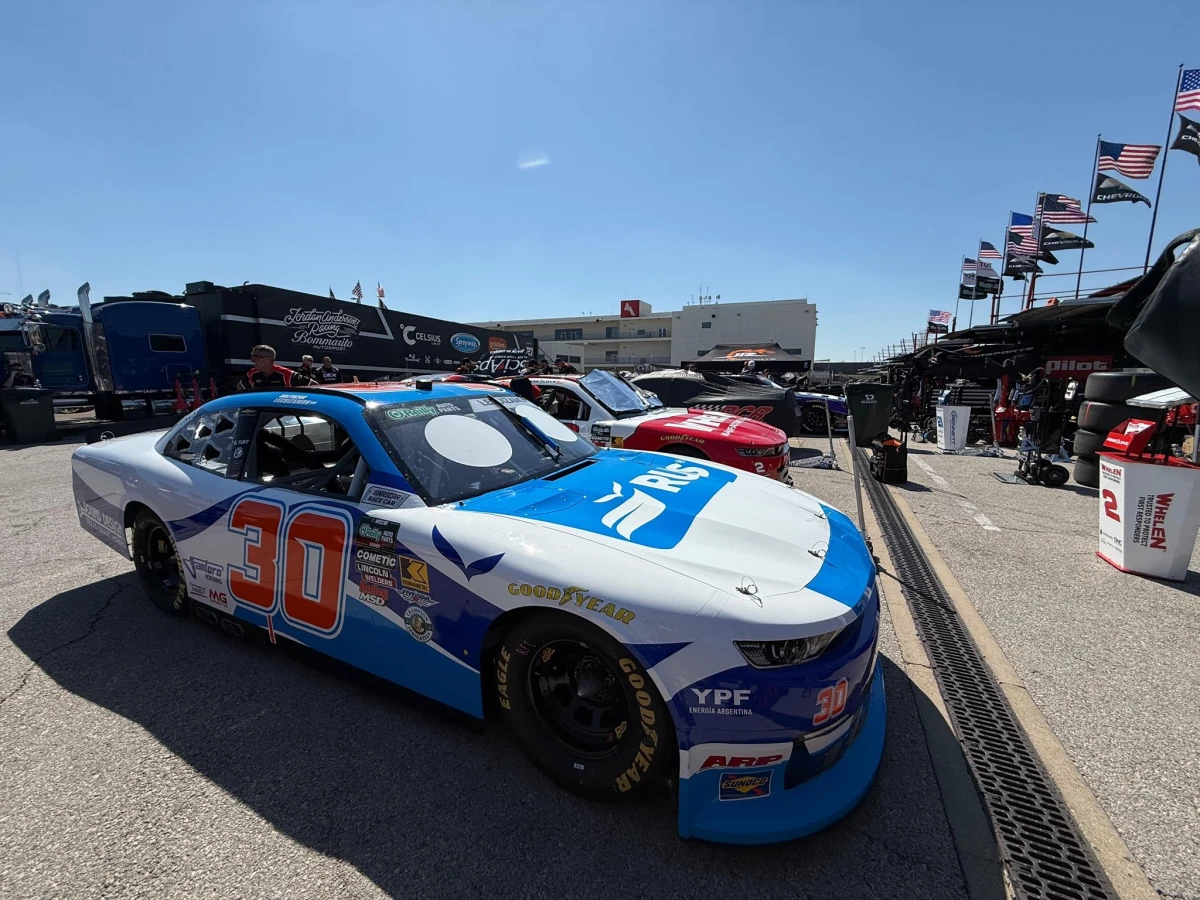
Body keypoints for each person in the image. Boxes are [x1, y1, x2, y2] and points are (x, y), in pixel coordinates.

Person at [238, 345, 310, 390]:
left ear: (268, 359)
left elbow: (312, 385)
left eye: (257, 357)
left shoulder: (287, 374)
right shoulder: (251, 374)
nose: (252, 361)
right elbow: (240, 386)